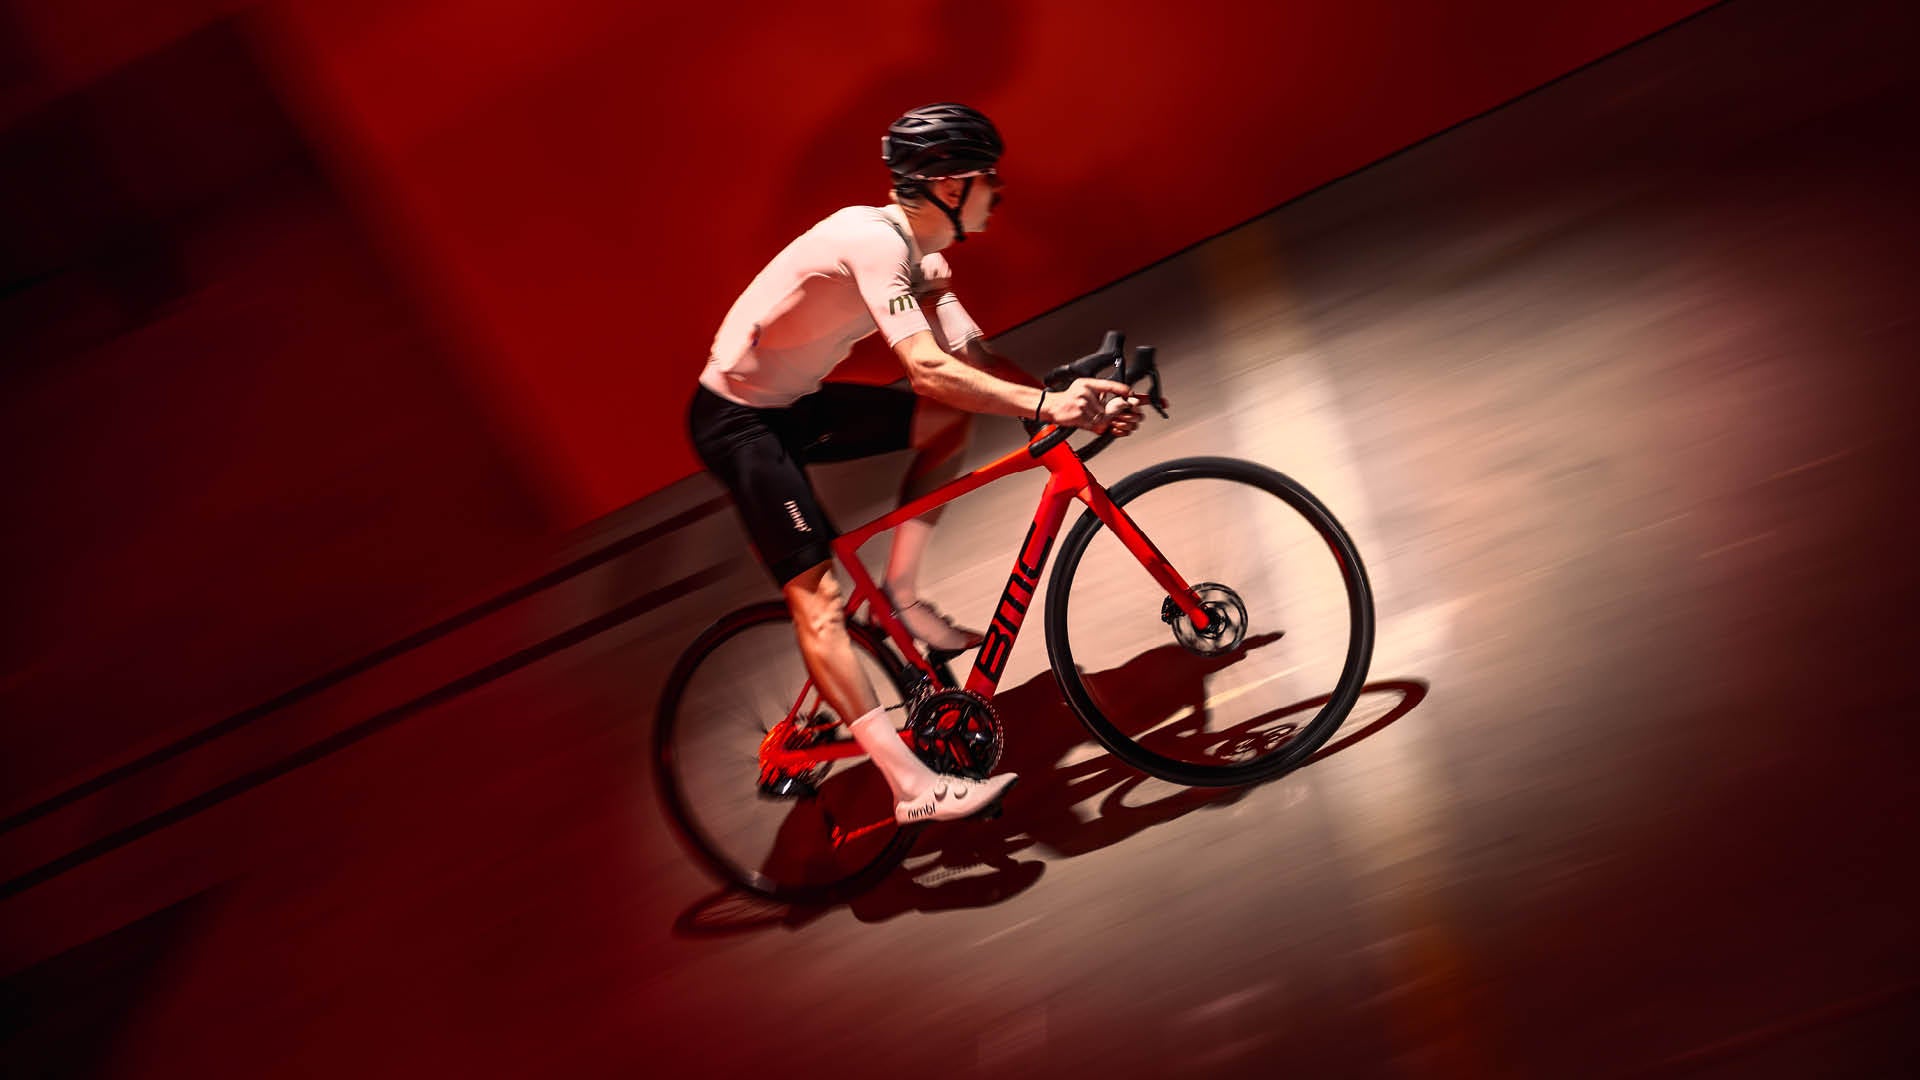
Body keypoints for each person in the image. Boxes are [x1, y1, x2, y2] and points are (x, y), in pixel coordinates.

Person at [687, 103, 1142, 824]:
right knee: (819, 600)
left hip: (792, 403)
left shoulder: (922, 260)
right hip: (737, 422)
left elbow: (973, 363)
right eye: (990, 177)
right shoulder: (874, 244)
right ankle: (912, 789)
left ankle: (899, 595)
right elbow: (926, 368)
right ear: (951, 187)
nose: (1000, 191)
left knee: (947, 425)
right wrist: (1050, 406)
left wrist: (1065, 399)